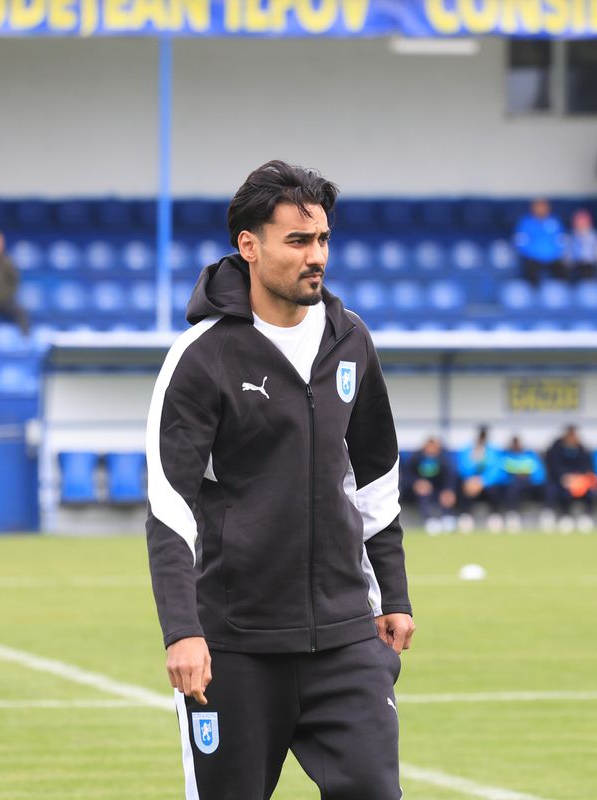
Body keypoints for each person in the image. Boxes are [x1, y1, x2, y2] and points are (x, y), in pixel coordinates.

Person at [145, 160, 412, 800]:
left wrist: (394, 595)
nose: (315, 256)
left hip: (346, 637)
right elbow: (169, 507)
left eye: (321, 240)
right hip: (236, 648)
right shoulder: (201, 357)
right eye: (297, 241)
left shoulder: (351, 342)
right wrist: (183, 630)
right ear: (249, 246)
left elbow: (377, 478)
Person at [543, 425, 597, 533]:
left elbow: (587, 468)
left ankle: (586, 517)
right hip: (561, 480)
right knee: (556, 490)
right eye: (570, 435)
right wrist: (565, 477)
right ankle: (565, 516)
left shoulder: (582, 449)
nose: (572, 438)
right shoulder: (556, 449)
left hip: (580, 481)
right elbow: (554, 466)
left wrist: (579, 478)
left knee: (591, 490)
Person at [455, 425, 508, 532]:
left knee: (495, 489)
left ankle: (495, 516)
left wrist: (482, 481)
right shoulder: (467, 450)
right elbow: (461, 468)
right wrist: (471, 479)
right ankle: (465, 516)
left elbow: (497, 470)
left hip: (486, 485)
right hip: (471, 484)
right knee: (464, 487)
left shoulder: (493, 451)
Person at [407, 436, 457, 535]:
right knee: (423, 491)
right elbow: (408, 475)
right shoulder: (416, 458)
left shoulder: (444, 459)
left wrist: (449, 490)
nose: (431, 450)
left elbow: (449, 476)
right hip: (420, 490)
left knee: (446, 494)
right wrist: (417, 483)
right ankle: (429, 521)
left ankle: (446, 517)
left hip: (439, 489)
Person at [498, 435, 545, 532]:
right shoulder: (506, 457)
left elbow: (540, 473)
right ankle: (512, 514)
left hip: (531, 484)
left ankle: (548, 513)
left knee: (548, 488)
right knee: (512, 489)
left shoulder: (530, 456)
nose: (516, 446)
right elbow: (501, 474)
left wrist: (530, 478)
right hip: (512, 484)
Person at [514, 198, 566, 287]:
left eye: (543, 207)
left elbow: (561, 240)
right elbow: (520, 242)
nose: (541, 209)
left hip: (553, 257)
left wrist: (556, 253)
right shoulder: (526, 222)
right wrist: (533, 254)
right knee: (530, 270)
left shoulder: (555, 222)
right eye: (538, 207)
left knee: (563, 269)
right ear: (533, 209)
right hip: (532, 258)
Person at [564, 209, 597, 285]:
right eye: (578, 222)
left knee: (589, 272)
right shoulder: (570, 236)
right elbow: (567, 252)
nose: (581, 225)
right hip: (575, 264)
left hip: (590, 263)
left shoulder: (594, 235)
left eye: (583, 222)